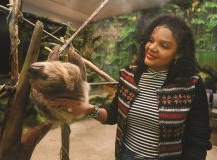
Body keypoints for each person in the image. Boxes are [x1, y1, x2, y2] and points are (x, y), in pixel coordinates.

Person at [52, 15, 212, 160]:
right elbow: (113, 115)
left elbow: (198, 139)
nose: (152, 48)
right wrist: (87, 109)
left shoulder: (190, 86)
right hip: (125, 155)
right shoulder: (128, 76)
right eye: (151, 40)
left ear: (178, 54)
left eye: (164, 45)